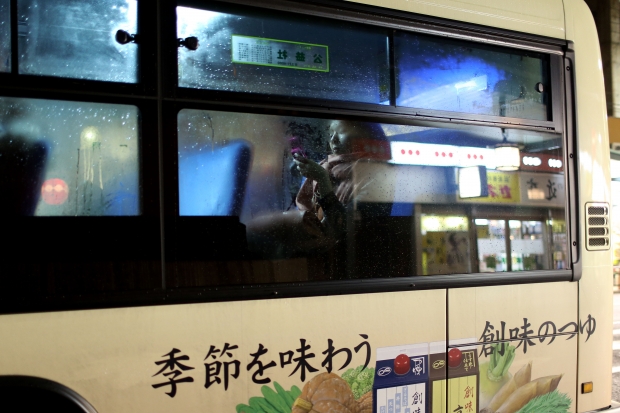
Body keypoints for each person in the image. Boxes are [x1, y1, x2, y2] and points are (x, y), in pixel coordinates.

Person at [246, 120, 389, 261]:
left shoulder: (377, 176)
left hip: (346, 254)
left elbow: (344, 228)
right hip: (321, 237)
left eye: (341, 132)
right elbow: (308, 205)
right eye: (331, 134)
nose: (333, 139)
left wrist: (322, 179)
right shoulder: (327, 165)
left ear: (365, 137)